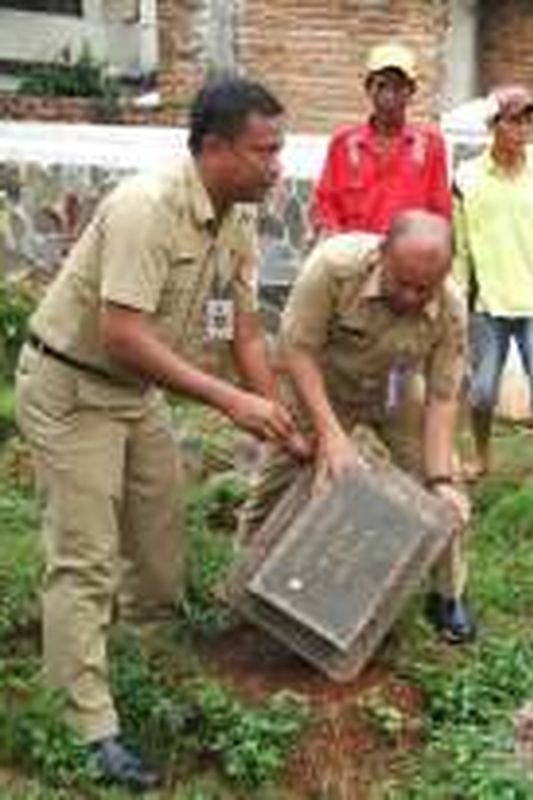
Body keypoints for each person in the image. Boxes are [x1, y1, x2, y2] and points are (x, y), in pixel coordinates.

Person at [14, 78, 307, 791]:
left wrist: (278, 420)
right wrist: (229, 403)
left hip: (133, 395)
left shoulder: (236, 218)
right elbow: (121, 335)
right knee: (84, 557)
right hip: (74, 386)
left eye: (280, 150)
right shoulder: (148, 208)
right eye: (264, 152)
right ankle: (84, 724)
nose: (277, 167)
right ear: (215, 148)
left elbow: (242, 330)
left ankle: (141, 667)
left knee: (158, 544)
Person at [238, 211, 475, 644]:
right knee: (278, 479)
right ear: (381, 253)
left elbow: (442, 398)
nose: (410, 296)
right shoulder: (333, 267)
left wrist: (439, 478)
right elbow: (298, 349)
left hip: (395, 388)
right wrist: (330, 435)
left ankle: (448, 595)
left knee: (445, 491)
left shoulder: (452, 308)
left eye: (425, 288)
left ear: (444, 276)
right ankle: (247, 578)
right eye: (401, 281)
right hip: (322, 385)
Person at [453, 85, 533, 486]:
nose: (524, 127)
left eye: (528, 119)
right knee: (483, 390)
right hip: (487, 303)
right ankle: (482, 458)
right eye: (515, 119)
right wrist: (457, 295)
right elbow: (460, 247)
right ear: (494, 125)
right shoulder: (466, 179)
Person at [310, 42, 452, 236]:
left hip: (408, 257)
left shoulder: (430, 145)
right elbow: (325, 204)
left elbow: (440, 212)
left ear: (411, 91)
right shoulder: (343, 143)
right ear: (369, 88)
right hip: (354, 257)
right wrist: (337, 239)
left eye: (399, 86)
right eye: (382, 84)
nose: (389, 93)